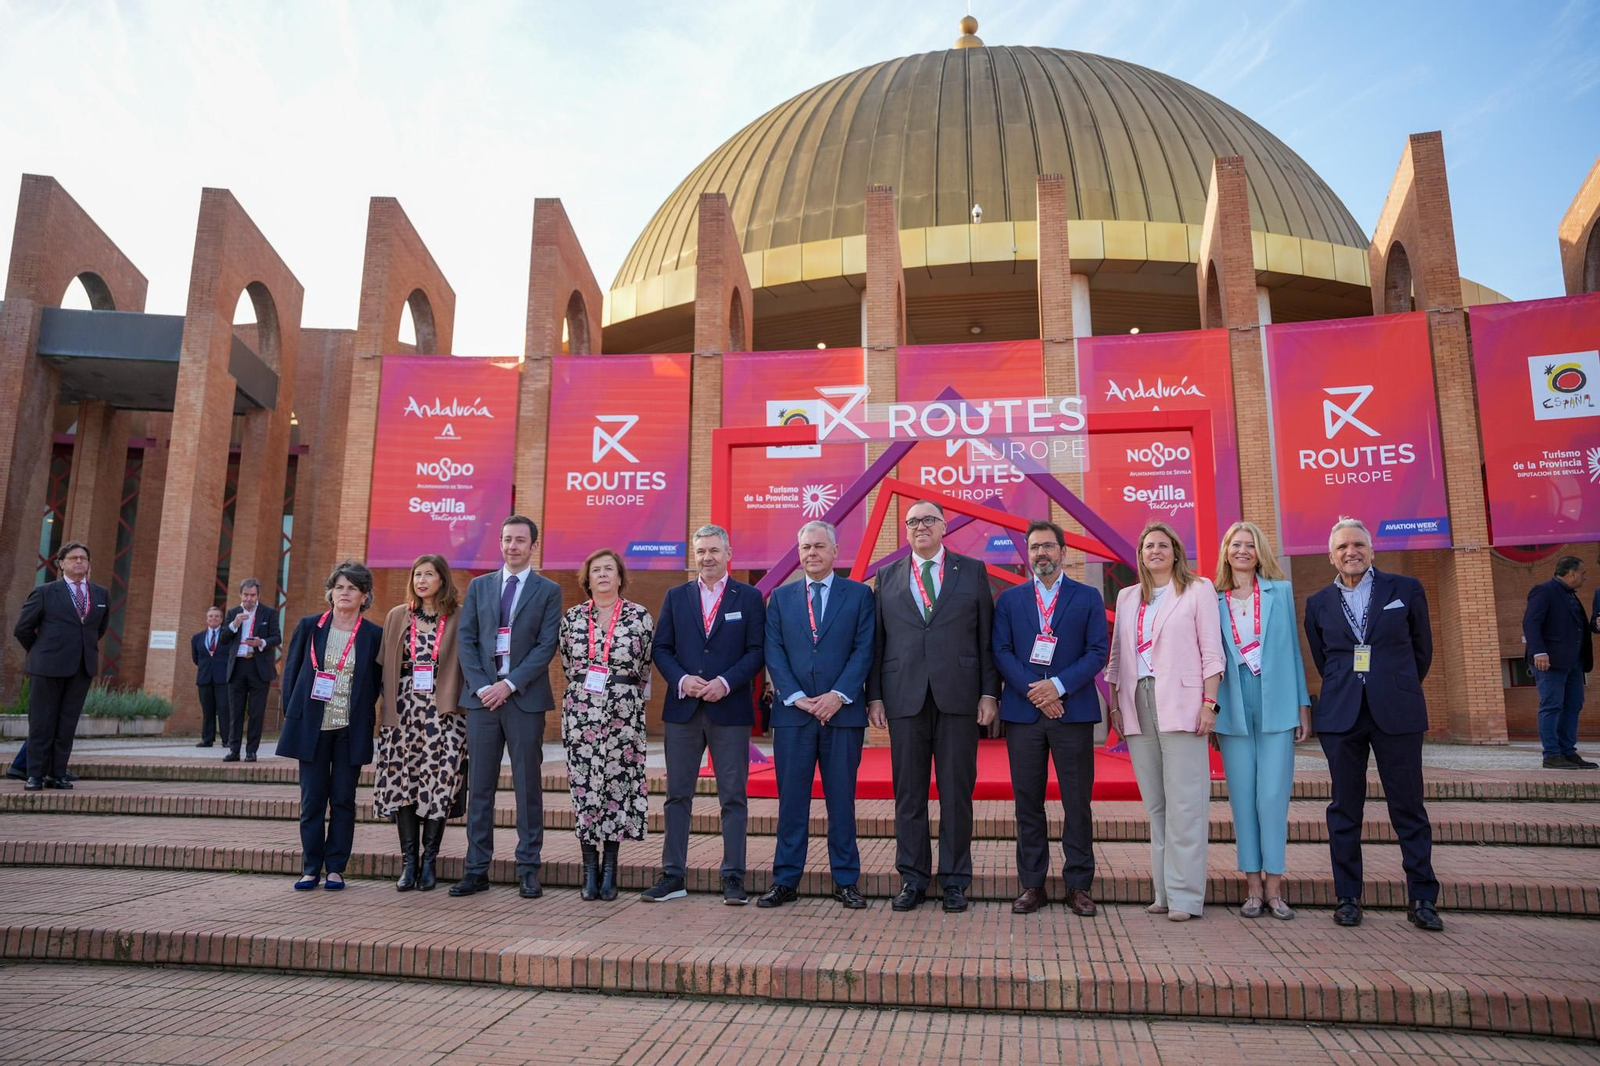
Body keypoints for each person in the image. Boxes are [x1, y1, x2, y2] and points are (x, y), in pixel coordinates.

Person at [1304, 517, 1442, 932]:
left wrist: (1394, 684)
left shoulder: (1405, 589)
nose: (1351, 552)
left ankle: (1422, 899)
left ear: (1371, 549)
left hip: (1397, 712)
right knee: (1345, 809)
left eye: (1358, 545)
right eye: (1342, 547)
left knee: (1408, 807)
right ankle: (1348, 897)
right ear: (1331, 556)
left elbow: (1422, 650)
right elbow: (1323, 657)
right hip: (1342, 715)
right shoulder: (1318, 602)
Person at [867, 499, 999, 914]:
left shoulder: (971, 570)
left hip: (958, 696)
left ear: (943, 527)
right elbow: (877, 642)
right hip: (904, 696)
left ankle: (955, 880)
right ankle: (913, 878)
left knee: (956, 793)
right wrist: (875, 695)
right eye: (912, 521)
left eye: (928, 519)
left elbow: (986, 637)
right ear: (905, 530)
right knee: (909, 794)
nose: (920, 526)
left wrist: (989, 692)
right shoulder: (887, 575)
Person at [1104, 520, 1223, 922]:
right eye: (1148, 546)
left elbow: (1212, 652)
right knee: (1157, 804)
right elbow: (1117, 657)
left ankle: (1186, 897)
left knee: (1186, 804)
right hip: (1137, 702)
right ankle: (1164, 892)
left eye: (1162, 545)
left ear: (1175, 553)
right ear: (1140, 555)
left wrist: (1209, 704)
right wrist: (1115, 704)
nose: (1155, 551)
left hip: (1184, 703)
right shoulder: (1127, 597)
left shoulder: (1198, 589)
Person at [757, 520, 876, 910]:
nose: (812, 553)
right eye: (806, 547)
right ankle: (785, 881)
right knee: (792, 803)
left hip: (842, 716)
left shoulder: (859, 595)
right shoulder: (781, 597)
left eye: (819, 546)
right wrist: (796, 697)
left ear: (835, 551)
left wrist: (838, 696)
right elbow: (774, 652)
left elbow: (864, 650)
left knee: (841, 802)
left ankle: (846, 881)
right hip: (794, 716)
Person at [645, 523, 766, 905]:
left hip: (729, 709)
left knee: (733, 797)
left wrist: (725, 683)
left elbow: (757, 651)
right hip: (683, 709)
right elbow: (661, 648)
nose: (707, 557)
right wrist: (682, 679)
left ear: (728, 554)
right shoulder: (676, 596)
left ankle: (733, 877)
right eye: (701, 551)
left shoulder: (749, 597)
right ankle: (673, 875)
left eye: (714, 550)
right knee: (677, 795)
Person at [992, 519, 1108, 916]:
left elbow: (1097, 651)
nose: (1041, 553)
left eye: (1048, 546)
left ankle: (1078, 885)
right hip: (1024, 714)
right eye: (1035, 547)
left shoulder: (1088, 596)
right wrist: (1037, 692)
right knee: (1028, 802)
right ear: (1028, 554)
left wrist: (1057, 686)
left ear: (1063, 551)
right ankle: (1033, 885)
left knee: (1077, 802)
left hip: (1072, 711)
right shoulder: (1009, 600)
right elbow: (1002, 652)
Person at [450, 515, 563, 901]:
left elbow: (546, 646)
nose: (512, 546)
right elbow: (466, 641)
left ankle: (528, 869)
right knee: (480, 787)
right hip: (482, 701)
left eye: (520, 540)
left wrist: (509, 684)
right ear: (500, 543)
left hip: (523, 700)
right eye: (507, 539)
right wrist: (484, 686)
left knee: (527, 787)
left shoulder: (548, 591)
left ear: (534, 546)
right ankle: (476, 869)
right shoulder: (480, 586)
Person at [1212, 521, 1312, 921]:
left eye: (1249, 545)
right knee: (1242, 799)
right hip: (1232, 704)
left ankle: (1274, 888)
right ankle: (1253, 887)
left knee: (1272, 797)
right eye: (1235, 544)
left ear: (1259, 553)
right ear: (1226, 551)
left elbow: (1294, 651)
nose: (1242, 551)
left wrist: (1302, 703)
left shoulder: (1280, 592)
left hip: (1277, 701)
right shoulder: (1212, 599)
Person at [277, 562, 383, 891]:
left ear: (364, 595)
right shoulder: (310, 626)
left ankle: (336, 868)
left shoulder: (373, 634)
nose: (345, 593)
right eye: (339, 587)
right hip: (312, 727)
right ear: (331, 592)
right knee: (312, 802)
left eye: (352, 587)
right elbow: (291, 672)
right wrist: (292, 716)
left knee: (342, 801)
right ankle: (311, 867)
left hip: (350, 729)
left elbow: (375, 683)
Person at [558, 548, 654, 902]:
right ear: (587, 577)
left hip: (623, 713)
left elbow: (645, 665)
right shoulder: (571, 618)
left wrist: (619, 691)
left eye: (608, 569)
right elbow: (567, 662)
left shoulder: (639, 616)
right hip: (581, 713)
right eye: (595, 569)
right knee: (584, 787)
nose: (602, 574)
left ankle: (610, 868)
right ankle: (589, 868)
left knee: (616, 786)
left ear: (619, 577)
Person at [375, 555, 466, 892]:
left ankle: (430, 861)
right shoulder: (397, 615)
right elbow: (384, 664)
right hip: (403, 710)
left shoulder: (458, 616)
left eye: (429, 574)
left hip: (444, 712)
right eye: (417, 574)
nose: (422, 580)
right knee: (404, 782)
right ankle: (409, 862)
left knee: (440, 782)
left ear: (443, 579)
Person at [13, 541, 108, 790]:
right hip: (47, 667)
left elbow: (98, 629)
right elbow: (22, 629)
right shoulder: (45, 592)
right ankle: (34, 774)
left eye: (83, 558)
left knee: (66, 724)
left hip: (81, 667)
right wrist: (41, 651)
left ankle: (57, 774)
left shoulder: (100, 594)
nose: (79, 562)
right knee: (42, 722)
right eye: (74, 558)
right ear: (61, 563)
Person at [1526, 557, 1597, 769]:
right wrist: (1539, 652)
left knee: (1573, 705)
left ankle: (1568, 752)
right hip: (1550, 662)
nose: (1585, 577)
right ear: (1572, 573)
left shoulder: (1571, 595)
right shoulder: (1544, 591)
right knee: (1552, 705)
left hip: (1574, 662)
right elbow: (1531, 622)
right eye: (1583, 573)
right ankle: (1552, 754)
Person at [223, 577, 281, 762]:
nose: (249, 599)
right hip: (238, 666)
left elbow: (276, 638)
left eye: (253, 595)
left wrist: (261, 642)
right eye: (246, 595)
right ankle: (234, 750)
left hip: (258, 666)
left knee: (256, 712)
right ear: (240, 594)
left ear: (258, 595)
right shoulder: (233, 613)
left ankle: (251, 751)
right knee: (236, 711)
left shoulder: (268, 613)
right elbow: (223, 639)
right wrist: (234, 625)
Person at [191, 606, 230, 748]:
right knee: (207, 709)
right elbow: (196, 658)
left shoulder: (227, 636)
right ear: (207, 619)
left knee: (224, 709)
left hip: (222, 678)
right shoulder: (197, 638)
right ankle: (207, 738)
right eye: (211, 616)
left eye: (216, 616)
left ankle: (227, 739)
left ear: (221, 619)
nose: (213, 618)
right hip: (204, 678)